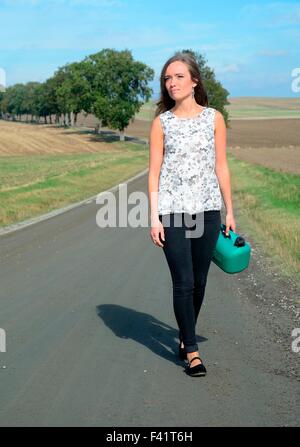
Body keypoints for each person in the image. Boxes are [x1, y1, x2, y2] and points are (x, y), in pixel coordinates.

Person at [148, 52, 236, 377]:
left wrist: (230, 211)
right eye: (167, 79)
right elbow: (154, 172)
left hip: (209, 210)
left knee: (199, 281)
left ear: (195, 80)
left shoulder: (214, 118)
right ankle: (192, 351)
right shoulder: (162, 123)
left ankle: (185, 336)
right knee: (183, 281)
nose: (172, 83)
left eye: (178, 77)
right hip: (172, 211)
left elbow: (221, 166)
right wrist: (154, 216)